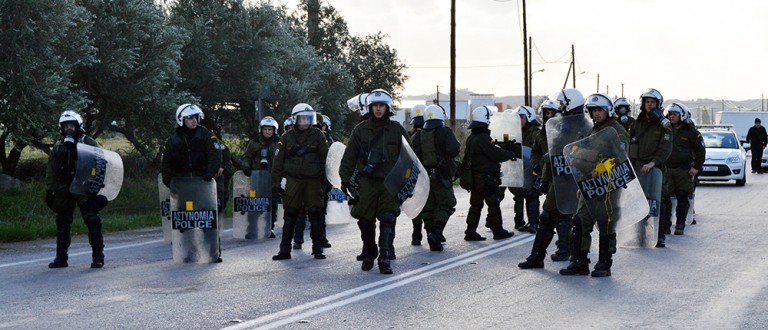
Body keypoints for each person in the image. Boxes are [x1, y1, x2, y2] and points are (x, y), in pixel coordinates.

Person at [339, 89, 411, 274]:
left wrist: (407, 180)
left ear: (388, 108)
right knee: (365, 220)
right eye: (375, 106)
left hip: (389, 182)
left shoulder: (397, 130)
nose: (378, 109)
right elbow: (349, 156)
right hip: (367, 182)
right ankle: (370, 251)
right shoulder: (360, 130)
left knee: (388, 218)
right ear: (370, 108)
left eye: (382, 106)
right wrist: (345, 180)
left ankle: (385, 257)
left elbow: (409, 156)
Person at [559, 93, 629, 277]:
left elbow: (621, 157)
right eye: (593, 110)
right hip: (590, 185)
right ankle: (579, 262)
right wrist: (581, 185)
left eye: (600, 110)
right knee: (580, 221)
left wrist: (601, 168)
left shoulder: (617, 131)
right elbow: (585, 158)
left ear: (608, 111)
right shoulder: (593, 131)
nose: (596, 114)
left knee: (606, 223)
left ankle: (604, 263)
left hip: (608, 185)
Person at [46, 111, 109, 269]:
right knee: (62, 221)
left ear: (78, 126)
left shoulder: (88, 143)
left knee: (92, 220)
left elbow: (101, 166)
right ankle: (61, 258)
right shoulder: (58, 146)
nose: (69, 128)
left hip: (84, 187)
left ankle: (98, 257)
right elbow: (51, 170)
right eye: (66, 126)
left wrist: (97, 191)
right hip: (64, 189)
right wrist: (50, 191)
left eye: (71, 125)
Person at [161, 104, 223, 261]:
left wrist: (210, 172)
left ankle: (213, 252)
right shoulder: (173, 140)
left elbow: (215, 154)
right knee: (185, 219)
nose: (194, 120)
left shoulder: (206, 135)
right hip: (183, 185)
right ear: (182, 119)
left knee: (207, 218)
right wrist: (170, 181)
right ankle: (187, 252)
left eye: (195, 117)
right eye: (190, 118)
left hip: (202, 183)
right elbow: (166, 164)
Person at [271, 103, 329, 260]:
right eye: (301, 118)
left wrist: (327, 181)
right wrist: (275, 184)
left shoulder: (318, 136)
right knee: (290, 214)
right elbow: (278, 162)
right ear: (295, 119)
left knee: (315, 213)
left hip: (313, 181)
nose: (304, 122)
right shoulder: (286, 137)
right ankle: (284, 250)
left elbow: (326, 160)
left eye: (307, 118)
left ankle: (318, 249)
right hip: (293, 180)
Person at [461, 106, 516, 241]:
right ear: (485, 120)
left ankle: (470, 231)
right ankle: (498, 230)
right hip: (486, 179)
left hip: (475, 178)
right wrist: (510, 153)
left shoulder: (472, 137)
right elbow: (495, 154)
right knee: (493, 204)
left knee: (475, 205)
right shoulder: (483, 138)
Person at [627, 88, 672, 248]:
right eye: (647, 102)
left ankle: (659, 236)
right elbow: (630, 142)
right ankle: (640, 234)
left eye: (652, 102)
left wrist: (653, 163)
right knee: (638, 202)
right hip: (637, 167)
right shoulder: (637, 122)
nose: (649, 105)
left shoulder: (664, 125)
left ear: (658, 104)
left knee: (656, 202)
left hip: (654, 169)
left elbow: (665, 148)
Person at [413, 104, 460, 251]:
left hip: (423, 178)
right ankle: (437, 232)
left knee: (428, 208)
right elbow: (454, 149)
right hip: (440, 176)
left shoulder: (417, 136)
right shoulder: (445, 132)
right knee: (446, 204)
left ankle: (431, 236)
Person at [659, 103, 705, 241]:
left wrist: (696, 167)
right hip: (667, 169)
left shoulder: (691, 132)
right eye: (670, 114)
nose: (672, 117)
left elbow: (700, 150)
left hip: (683, 171)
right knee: (665, 198)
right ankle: (666, 225)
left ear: (682, 115)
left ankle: (680, 224)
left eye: (675, 114)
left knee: (682, 197)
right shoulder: (665, 129)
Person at [241, 116, 281, 237]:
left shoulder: (279, 143)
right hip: (257, 177)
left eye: (270, 129)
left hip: (273, 179)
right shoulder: (254, 143)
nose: (267, 132)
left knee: (272, 203)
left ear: (274, 130)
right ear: (261, 130)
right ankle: (251, 228)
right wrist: (246, 167)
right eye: (265, 129)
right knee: (254, 203)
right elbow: (247, 156)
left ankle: (270, 227)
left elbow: (284, 159)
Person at [509, 106, 541, 233]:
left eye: (520, 117)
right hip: (522, 168)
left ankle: (534, 223)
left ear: (528, 118)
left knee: (532, 194)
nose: (518, 120)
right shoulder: (517, 132)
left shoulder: (535, 133)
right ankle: (528, 222)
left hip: (533, 168)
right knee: (524, 194)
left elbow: (537, 151)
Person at [408, 104, 426, 245]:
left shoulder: (409, 137)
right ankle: (432, 232)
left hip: (414, 175)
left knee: (417, 205)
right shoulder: (428, 135)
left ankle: (416, 234)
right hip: (426, 174)